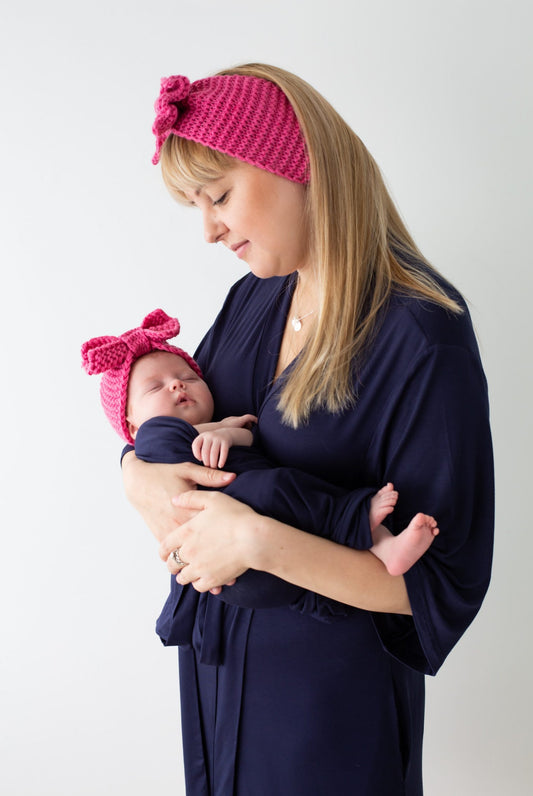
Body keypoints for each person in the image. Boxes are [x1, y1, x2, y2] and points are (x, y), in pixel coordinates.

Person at [121, 65, 494, 795]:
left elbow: (437, 586)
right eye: (196, 205)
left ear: (299, 163)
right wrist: (134, 475)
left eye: (220, 196)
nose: (208, 229)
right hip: (217, 675)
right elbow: (182, 427)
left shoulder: (421, 337)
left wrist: (259, 541)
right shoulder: (254, 299)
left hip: (326, 714)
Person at [82, 307, 439, 591]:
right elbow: (159, 439)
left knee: (292, 487)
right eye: (155, 387)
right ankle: (361, 523)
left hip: (272, 530)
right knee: (280, 488)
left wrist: (226, 434)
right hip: (230, 552)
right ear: (130, 425)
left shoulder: (225, 424)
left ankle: (383, 544)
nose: (177, 383)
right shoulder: (152, 442)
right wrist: (134, 467)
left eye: (189, 377)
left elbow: (249, 435)